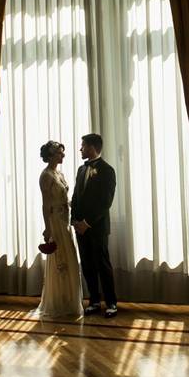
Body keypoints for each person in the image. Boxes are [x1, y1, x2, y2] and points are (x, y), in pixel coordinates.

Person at [70, 133, 118, 318]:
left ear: (92, 147)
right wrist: (75, 220)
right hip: (79, 227)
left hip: (96, 227)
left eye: (82, 146)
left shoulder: (107, 170)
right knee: (88, 265)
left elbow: (105, 201)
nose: (80, 149)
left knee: (102, 264)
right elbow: (75, 197)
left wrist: (87, 223)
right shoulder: (81, 170)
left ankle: (112, 303)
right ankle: (94, 301)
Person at [35, 140, 84, 319]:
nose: (63, 155)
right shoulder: (46, 175)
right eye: (59, 153)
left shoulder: (59, 173)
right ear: (50, 155)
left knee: (70, 258)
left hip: (65, 220)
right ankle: (57, 302)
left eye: (63, 153)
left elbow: (65, 198)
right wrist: (48, 229)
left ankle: (69, 301)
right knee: (60, 261)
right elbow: (45, 204)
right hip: (55, 221)